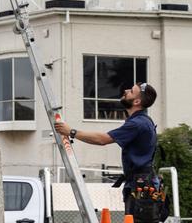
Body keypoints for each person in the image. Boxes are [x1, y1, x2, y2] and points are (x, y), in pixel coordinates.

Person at [54, 83, 160, 218]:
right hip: (142, 182)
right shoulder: (142, 121)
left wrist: (71, 132)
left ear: (137, 101)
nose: (126, 91)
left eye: (131, 91)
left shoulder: (137, 124)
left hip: (141, 184)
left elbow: (103, 139)